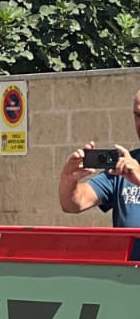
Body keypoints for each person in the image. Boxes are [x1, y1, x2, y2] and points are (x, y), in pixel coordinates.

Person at [58, 89, 140, 260]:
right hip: (128, 278)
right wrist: (68, 180)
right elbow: (74, 204)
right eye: (137, 115)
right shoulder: (125, 165)